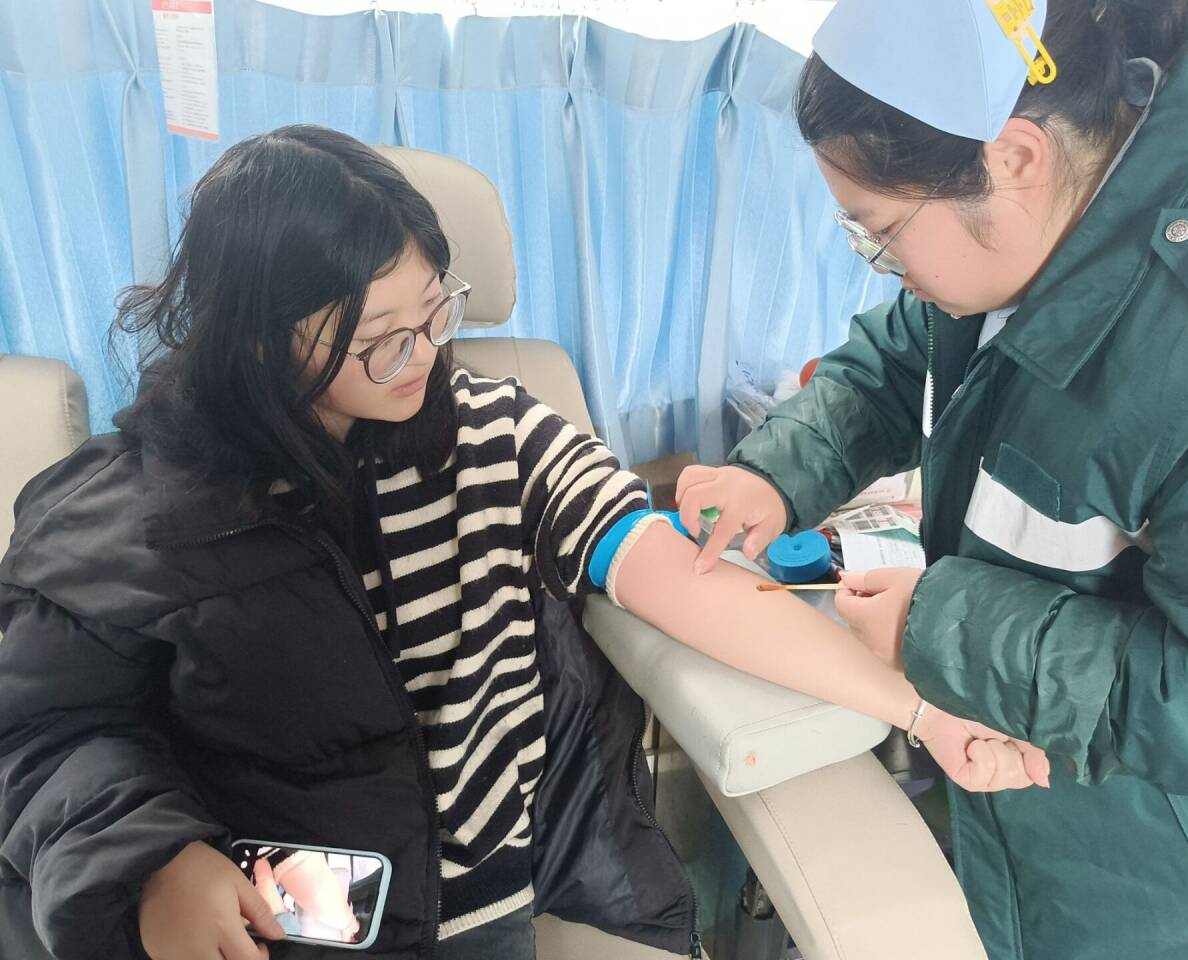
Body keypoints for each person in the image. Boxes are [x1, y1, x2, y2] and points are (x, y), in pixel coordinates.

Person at [0, 125, 1047, 960]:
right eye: (378, 342)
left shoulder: (494, 433)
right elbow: (45, 732)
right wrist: (153, 860)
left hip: (484, 907)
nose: (422, 357)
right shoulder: (143, 513)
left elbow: (678, 579)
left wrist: (918, 710)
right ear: (258, 338)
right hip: (284, 922)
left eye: (435, 312)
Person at [677, 2, 1188, 959]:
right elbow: (908, 352)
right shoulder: (1050, 209)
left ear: (1013, 158)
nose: (884, 269)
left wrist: (941, 629)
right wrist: (775, 471)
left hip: (1173, 890)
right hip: (1025, 822)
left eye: (881, 234)